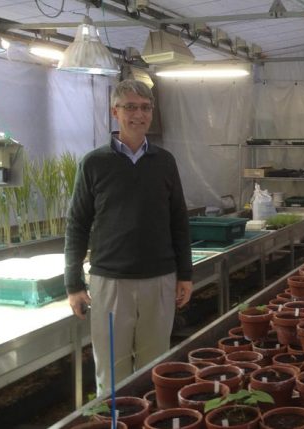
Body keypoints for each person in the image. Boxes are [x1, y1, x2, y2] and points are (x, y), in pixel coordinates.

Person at [64, 79, 193, 396]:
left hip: (159, 279)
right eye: (131, 107)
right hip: (110, 283)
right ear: (115, 112)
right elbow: (77, 223)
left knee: (154, 368)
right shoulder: (95, 163)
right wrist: (73, 284)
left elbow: (178, 219)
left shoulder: (164, 162)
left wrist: (185, 275)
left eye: (146, 107)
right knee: (111, 372)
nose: (139, 114)